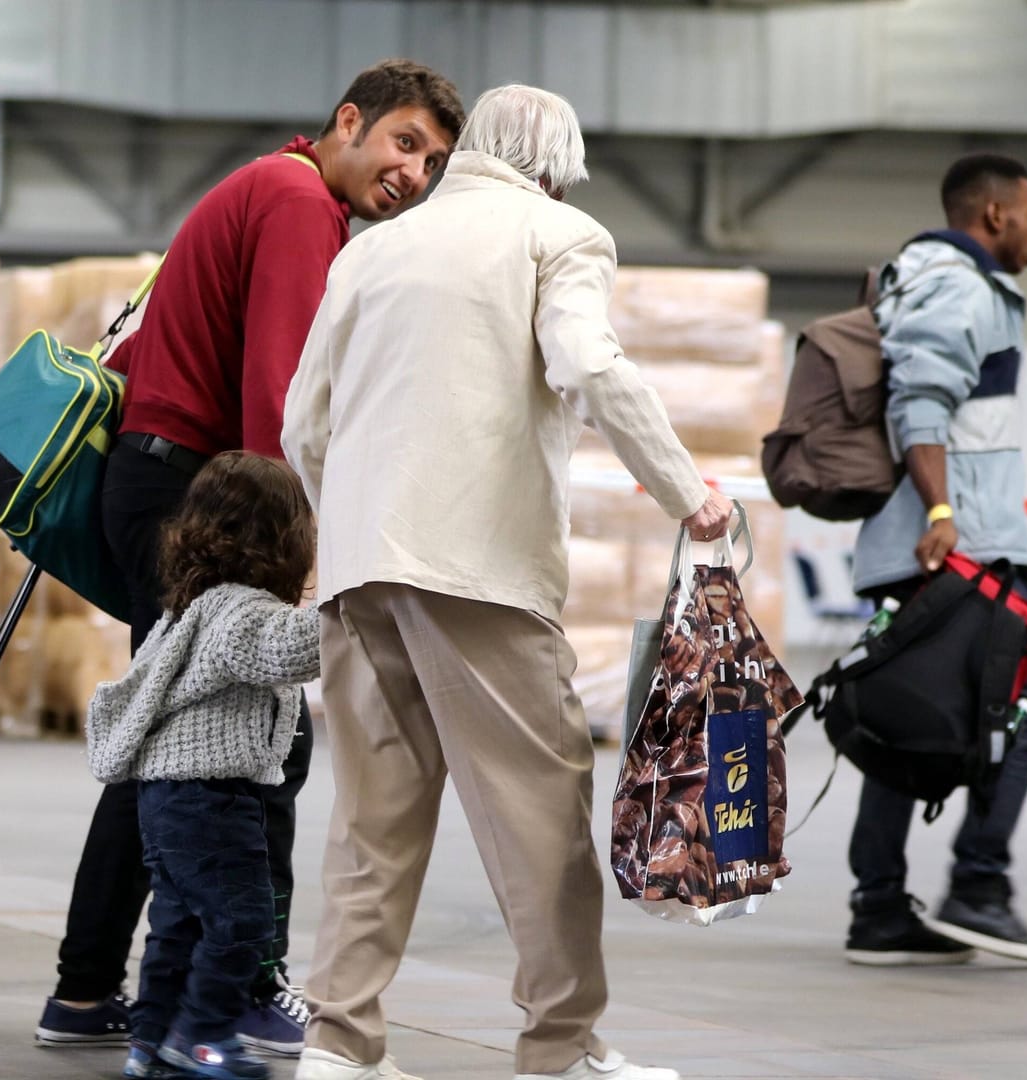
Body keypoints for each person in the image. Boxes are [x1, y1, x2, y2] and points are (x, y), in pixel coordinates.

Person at [281, 84, 730, 1080]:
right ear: (553, 165)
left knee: (373, 818)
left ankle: (338, 1046)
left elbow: (300, 425)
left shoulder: (369, 250)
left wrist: (351, 524)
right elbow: (590, 362)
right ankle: (559, 1046)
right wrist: (685, 491)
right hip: (476, 573)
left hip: (360, 574)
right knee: (540, 817)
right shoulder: (555, 233)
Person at [34, 58, 465, 1058]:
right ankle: (238, 986)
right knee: (252, 738)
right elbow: (283, 389)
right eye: (405, 143)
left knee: (176, 733)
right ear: (347, 122)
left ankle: (93, 988)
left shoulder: (261, 185)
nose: (415, 173)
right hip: (196, 491)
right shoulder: (294, 199)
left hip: (158, 481)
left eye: (434, 162)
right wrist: (302, 544)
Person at [841, 153, 1027, 967]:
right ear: (996, 215)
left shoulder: (922, 279)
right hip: (954, 545)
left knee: (915, 712)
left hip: (935, 542)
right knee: (1026, 707)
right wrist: (942, 511)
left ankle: (878, 909)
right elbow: (920, 399)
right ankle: (978, 886)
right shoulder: (962, 286)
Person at [85, 452, 320, 1080]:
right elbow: (288, 651)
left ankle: (152, 1041)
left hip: (166, 798)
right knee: (243, 922)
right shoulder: (243, 610)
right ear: (284, 540)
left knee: (178, 927)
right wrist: (355, 600)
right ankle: (205, 1037)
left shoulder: (195, 602)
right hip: (212, 798)